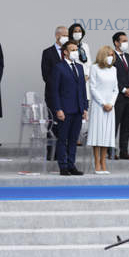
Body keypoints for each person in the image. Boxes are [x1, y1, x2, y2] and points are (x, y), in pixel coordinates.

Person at [50, 40, 88, 176]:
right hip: (65, 110)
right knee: (63, 139)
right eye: (72, 50)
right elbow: (54, 91)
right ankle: (63, 166)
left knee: (73, 139)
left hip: (78, 109)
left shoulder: (79, 67)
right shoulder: (59, 67)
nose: (75, 52)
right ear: (65, 52)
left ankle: (72, 164)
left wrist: (85, 108)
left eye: (76, 49)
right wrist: (58, 109)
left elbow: (83, 89)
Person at [87, 46, 118, 174]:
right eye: (108, 54)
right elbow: (92, 88)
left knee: (107, 134)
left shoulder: (114, 69)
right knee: (97, 133)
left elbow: (116, 89)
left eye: (112, 55)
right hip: (98, 105)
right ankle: (97, 162)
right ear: (102, 55)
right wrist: (103, 103)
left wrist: (111, 103)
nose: (111, 57)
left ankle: (103, 161)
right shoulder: (94, 68)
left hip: (110, 106)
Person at [41, 26, 69, 160]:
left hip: (69, 95)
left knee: (66, 124)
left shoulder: (70, 52)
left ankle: (64, 154)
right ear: (57, 36)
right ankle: (51, 154)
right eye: (64, 35)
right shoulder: (48, 53)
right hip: (53, 94)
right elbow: (46, 75)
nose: (66, 37)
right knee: (54, 124)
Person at [112, 31, 129, 160]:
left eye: (126, 41)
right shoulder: (111, 57)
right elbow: (111, 78)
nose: (125, 43)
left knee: (127, 125)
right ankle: (111, 151)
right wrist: (123, 90)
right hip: (118, 97)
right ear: (116, 42)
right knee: (114, 125)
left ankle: (124, 151)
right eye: (123, 41)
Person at [68, 22, 91, 100]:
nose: (78, 33)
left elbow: (89, 63)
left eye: (79, 31)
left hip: (85, 79)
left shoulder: (85, 46)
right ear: (71, 33)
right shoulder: (67, 45)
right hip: (73, 77)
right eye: (75, 31)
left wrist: (87, 75)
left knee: (84, 106)